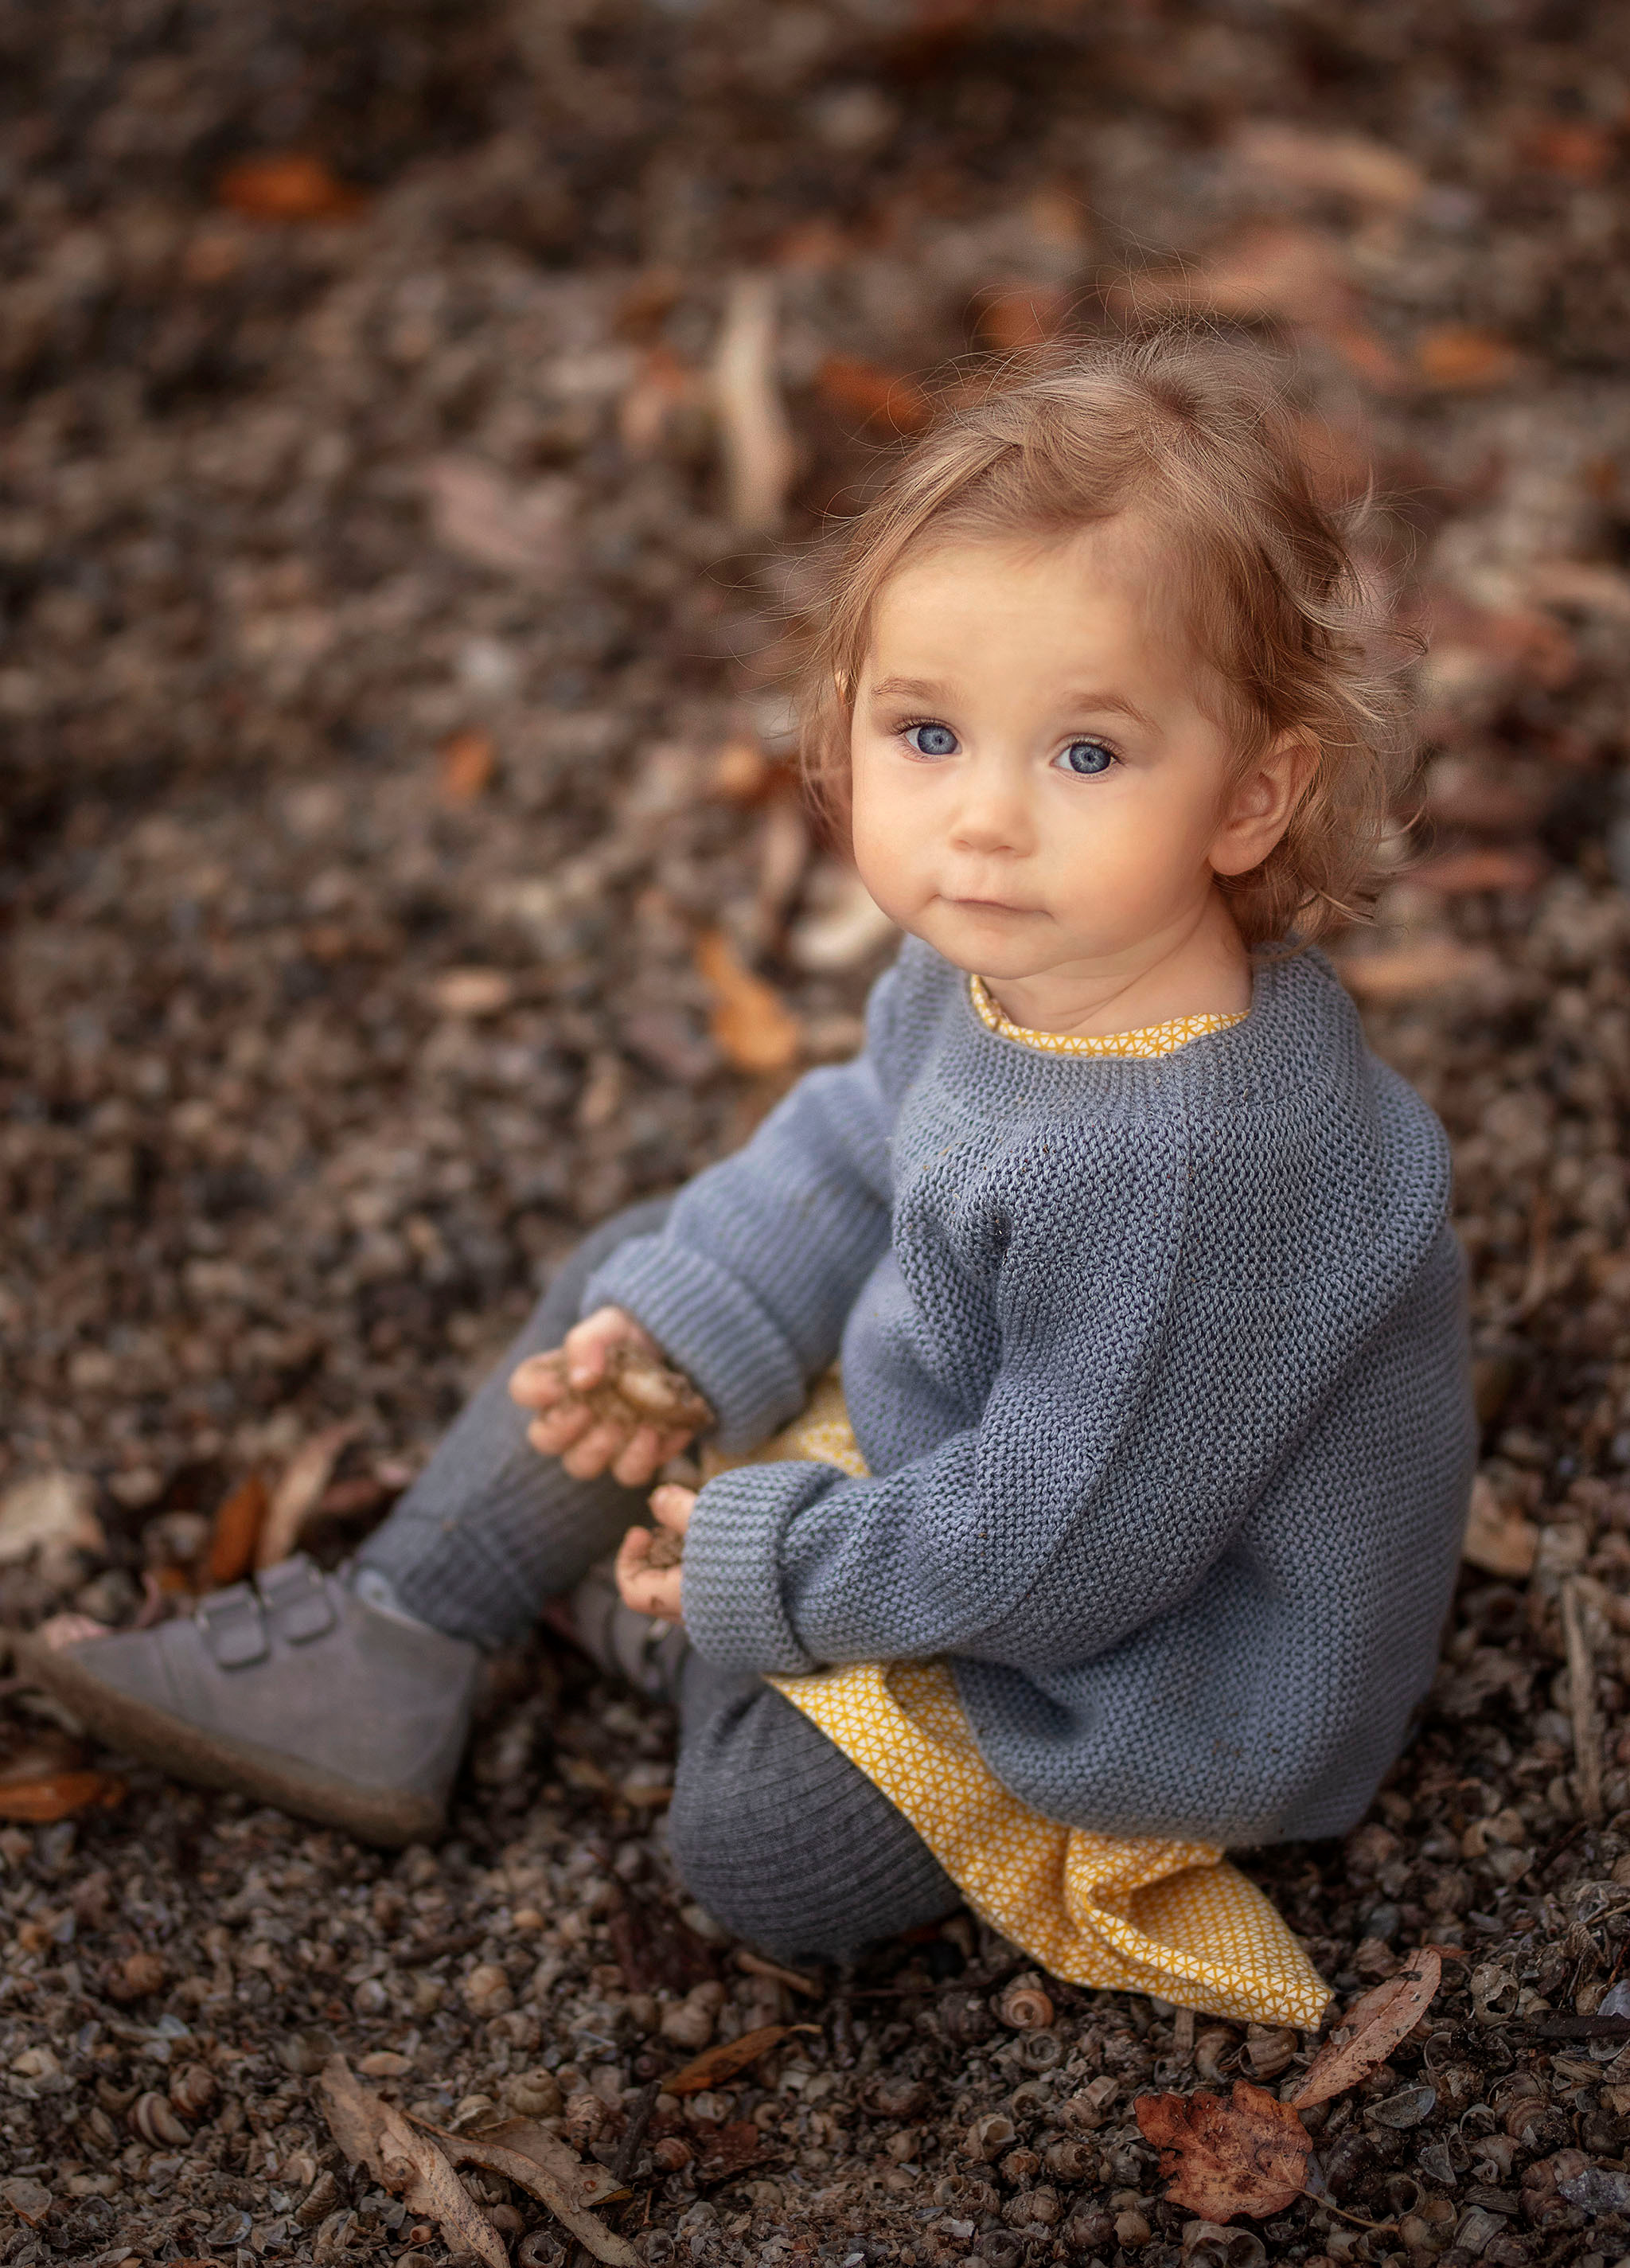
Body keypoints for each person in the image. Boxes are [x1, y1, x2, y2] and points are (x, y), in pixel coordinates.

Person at [21, 326, 1473, 2017]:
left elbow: (1058, 1548)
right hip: (976, 1467)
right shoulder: (1013, 956)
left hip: (1137, 1644)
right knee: (653, 1272)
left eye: (1085, 755)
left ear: (1250, 797)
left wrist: (770, 1572)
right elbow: (863, 1144)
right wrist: (679, 1334)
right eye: (929, 735)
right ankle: (402, 1630)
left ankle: (644, 1609)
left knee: (757, 1852)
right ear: (846, 721)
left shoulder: (1197, 1169)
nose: (983, 822)